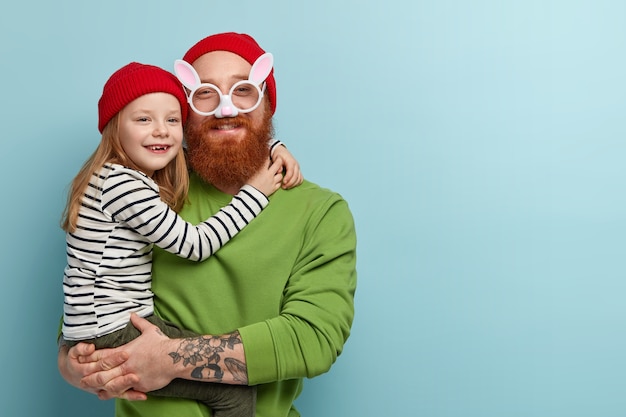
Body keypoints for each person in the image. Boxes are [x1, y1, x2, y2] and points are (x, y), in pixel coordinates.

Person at [58, 32, 357, 417]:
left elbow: (312, 339)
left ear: (267, 105)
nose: (226, 109)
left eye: (243, 91)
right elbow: (92, 290)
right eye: (205, 95)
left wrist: (166, 359)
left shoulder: (321, 212)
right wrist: (71, 364)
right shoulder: (156, 189)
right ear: (187, 111)